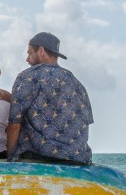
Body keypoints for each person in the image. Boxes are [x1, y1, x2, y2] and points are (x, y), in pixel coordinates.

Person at [6, 32, 93, 164]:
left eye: (30, 53)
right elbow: (86, 123)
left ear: (41, 51)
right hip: (77, 159)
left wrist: (10, 158)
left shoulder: (28, 77)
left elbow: (14, 123)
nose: (27, 59)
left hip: (38, 157)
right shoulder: (76, 83)